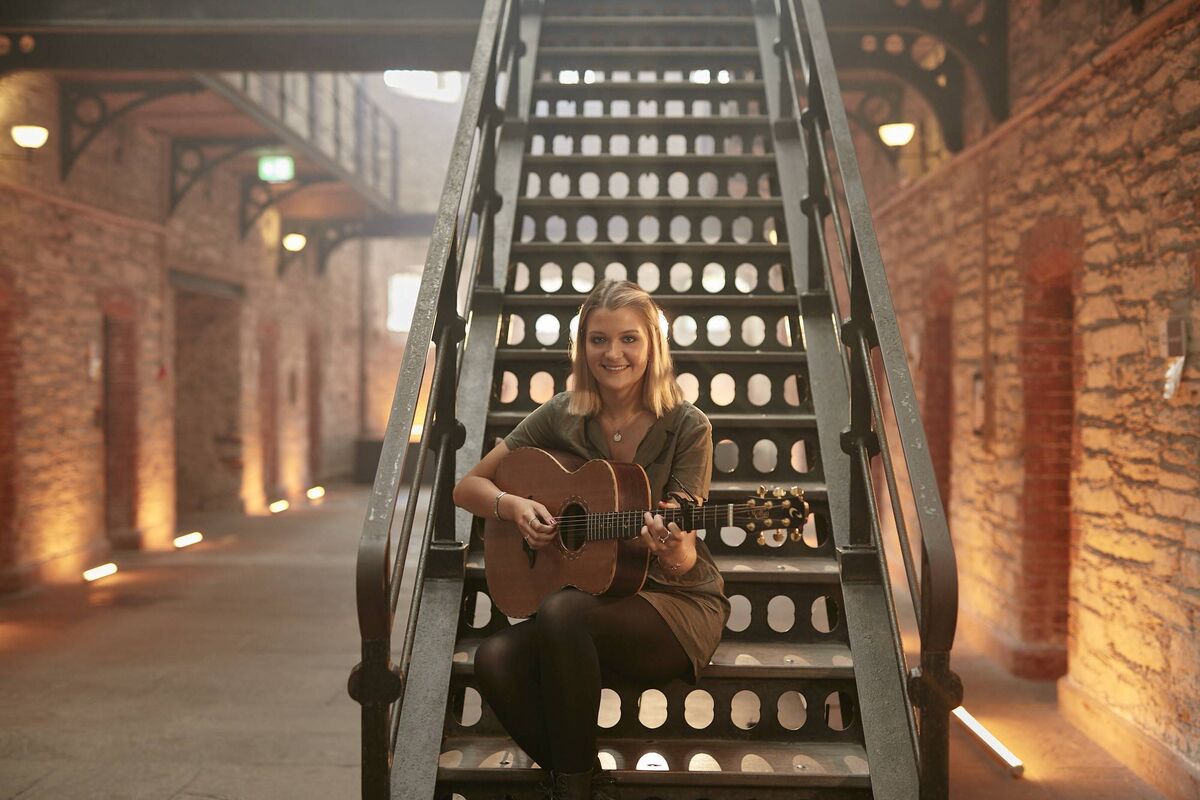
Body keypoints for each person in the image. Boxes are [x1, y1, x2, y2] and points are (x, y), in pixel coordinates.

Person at [452, 279, 730, 800]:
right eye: (598, 339)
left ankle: (572, 791)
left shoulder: (687, 426)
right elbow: (467, 487)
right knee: (496, 660)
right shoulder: (563, 414)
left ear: (652, 345)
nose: (613, 353)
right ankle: (582, 782)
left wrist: (673, 546)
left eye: (629, 339)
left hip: (671, 606)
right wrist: (513, 507)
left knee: (562, 611)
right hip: (587, 606)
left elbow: (683, 556)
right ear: (582, 347)